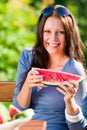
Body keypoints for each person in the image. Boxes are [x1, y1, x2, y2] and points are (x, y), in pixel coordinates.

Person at [12, 4, 87, 130]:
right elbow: (18, 109)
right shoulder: (27, 57)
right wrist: (27, 85)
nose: (53, 38)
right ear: (41, 32)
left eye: (60, 32)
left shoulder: (75, 69)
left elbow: (80, 127)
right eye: (47, 31)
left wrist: (70, 102)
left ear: (69, 35)